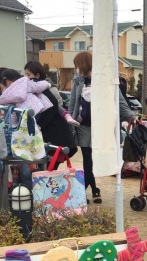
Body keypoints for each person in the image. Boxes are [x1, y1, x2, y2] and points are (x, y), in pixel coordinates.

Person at [68, 51, 134, 204]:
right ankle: (90, 190)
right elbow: (73, 102)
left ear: (83, 64)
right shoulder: (78, 80)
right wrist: (70, 119)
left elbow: (119, 99)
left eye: (77, 65)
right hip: (83, 125)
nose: (76, 68)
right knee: (87, 159)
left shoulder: (103, 78)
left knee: (96, 158)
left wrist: (130, 116)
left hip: (101, 125)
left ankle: (92, 189)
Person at [24, 61, 79, 127]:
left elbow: (56, 105)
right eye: (25, 75)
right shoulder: (30, 89)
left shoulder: (48, 88)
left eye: (28, 75)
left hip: (54, 126)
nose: (26, 78)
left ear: (37, 75)